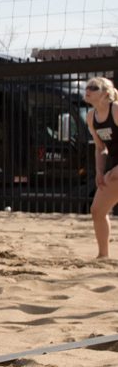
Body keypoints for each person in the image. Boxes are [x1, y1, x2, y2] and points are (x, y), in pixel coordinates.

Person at [86, 77, 118, 258]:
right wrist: (99, 172)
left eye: (94, 87)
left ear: (106, 94)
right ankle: (103, 256)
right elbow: (100, 148)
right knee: (97, 211)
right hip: (114, 171)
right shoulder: (92, 117)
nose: (88, 90)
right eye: (87, 87)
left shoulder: (116, 111)